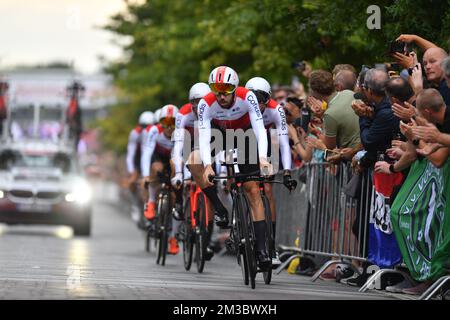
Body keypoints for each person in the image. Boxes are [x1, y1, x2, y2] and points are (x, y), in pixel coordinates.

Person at [188, 66, 272, 270]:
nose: (221, 94)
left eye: (226, 89)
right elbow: (206, 137)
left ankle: (262, 250)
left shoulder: (248, 97)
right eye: (216, 88)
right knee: (193, 160)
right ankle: (219, 207)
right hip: (220, 135)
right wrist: (208, 166)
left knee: (252, 189)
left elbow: (260, 129)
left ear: (234, 88)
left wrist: (262, 158)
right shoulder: (206, 104)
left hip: (245, 135)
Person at [245, 76, 297, 265]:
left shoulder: (276, 110)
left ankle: (270, 244)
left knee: (267, 189)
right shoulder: (242, 107)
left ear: (268, 99)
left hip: (267, 142)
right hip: (244, 140)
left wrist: (287, 171)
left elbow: (283, 143)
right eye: (254, 98)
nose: (259, 104)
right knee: (246, 184)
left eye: (263, 99)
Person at [171, 82, 216, 259]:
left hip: (209, 147)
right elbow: (178, 147)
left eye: (203, 101)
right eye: (196, 102)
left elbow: (219, 144)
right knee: (176, 166)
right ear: (190, 103)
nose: (199, 106)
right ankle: (180, 204)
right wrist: (179, 174)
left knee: (212, 192)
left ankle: (207, 239)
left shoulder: (213, 110)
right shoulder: (183, 115)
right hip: (187, 146)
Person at [141, 104, 180, 255]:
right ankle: (151, 202)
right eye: (166, 122)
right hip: (158, 158)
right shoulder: (154, 131)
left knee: (176, 200)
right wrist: (145, 175)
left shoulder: (181, 133)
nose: (169, 127)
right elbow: (146, 153)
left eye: (173, 123)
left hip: (174, 160)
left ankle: (173, 238)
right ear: (160, 123)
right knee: (156, 168)